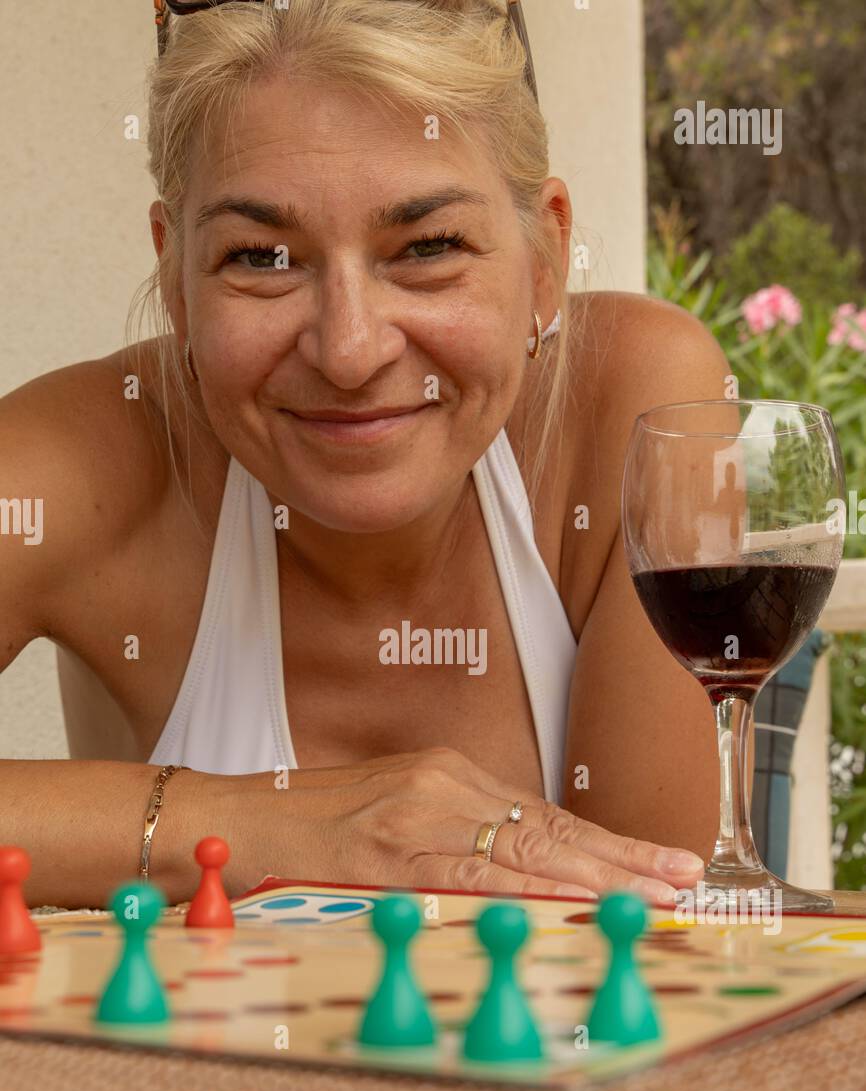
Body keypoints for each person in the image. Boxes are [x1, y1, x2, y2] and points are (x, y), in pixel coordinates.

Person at [0, 0, 723, 908]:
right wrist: (245, 826)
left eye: (428, 246)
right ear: (175, 276)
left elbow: (652, 935)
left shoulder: (636, 403)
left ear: (545, 257)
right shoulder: (96, 454)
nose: (349, 351)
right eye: (260, 258)